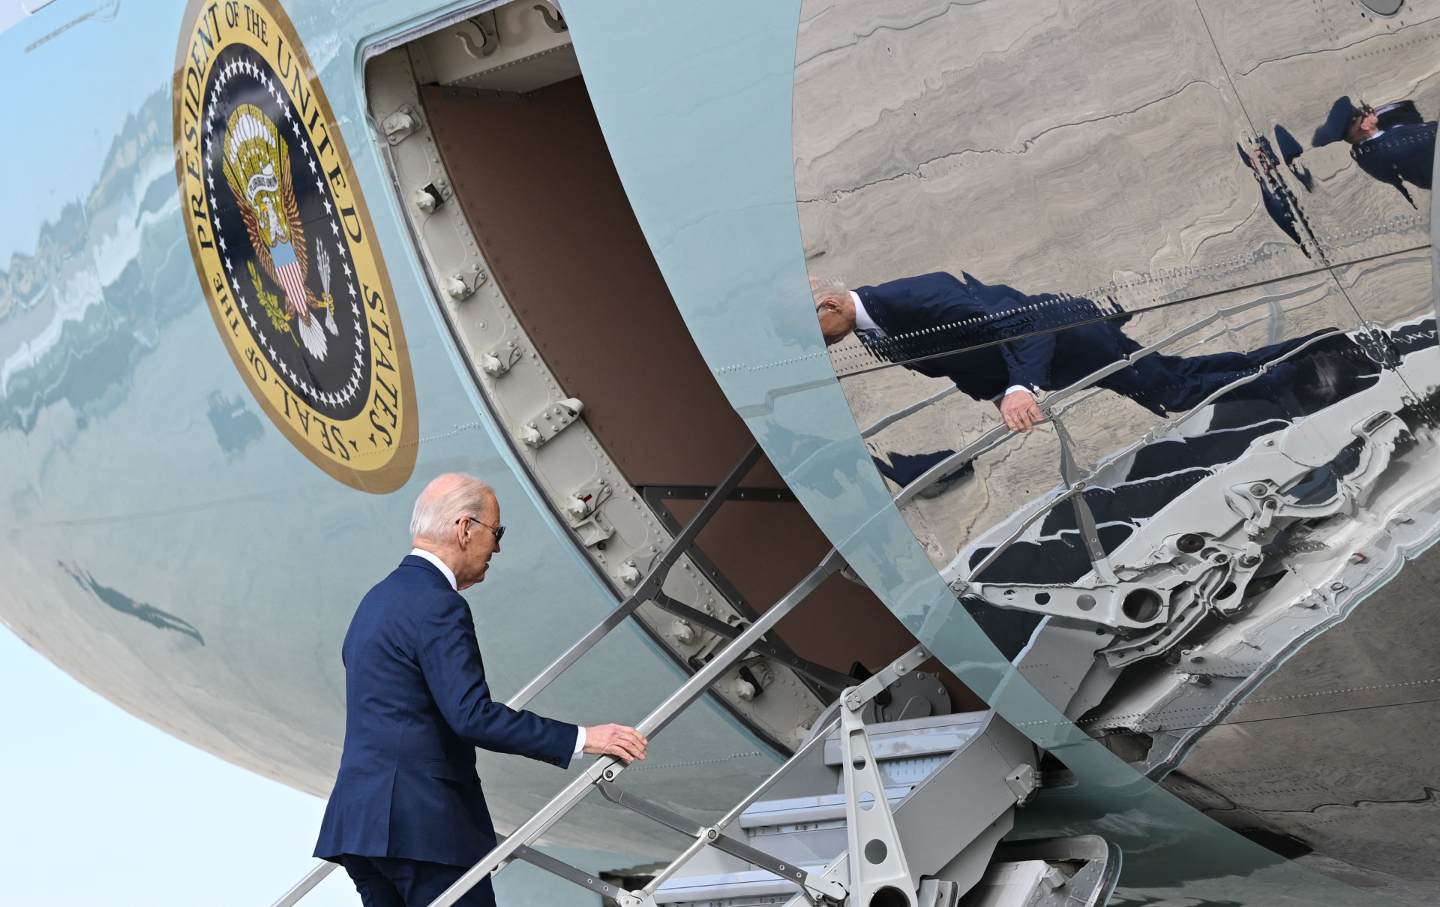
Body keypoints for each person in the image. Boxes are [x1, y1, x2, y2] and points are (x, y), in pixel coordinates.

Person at [314, 474, 648, 907]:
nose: (498, 547)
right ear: (464, 528)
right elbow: (471, 715)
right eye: (496, 532)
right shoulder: (439, 605)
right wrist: (585, 738)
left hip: (360, 826)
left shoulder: (376, 601)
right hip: (423, 829)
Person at [814, 272, 1345, 434]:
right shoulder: (873, 332)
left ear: (830, 304)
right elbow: (956, 364)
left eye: (816, 330)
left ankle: (1306, 374)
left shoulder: (909, 298)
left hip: (1065, 338)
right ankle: (1313, 351)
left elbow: (1016, 322)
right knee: (1175, 373)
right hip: (1057, 353)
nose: (821, 344)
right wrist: (1001, 393)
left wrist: (1023, 387)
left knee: (1172, 390)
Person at [1314, 95, 1436, 207]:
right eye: (1365, 113)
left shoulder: (1363, 152)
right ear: (1365, 126)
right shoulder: (1397, 144)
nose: (1372, 111)